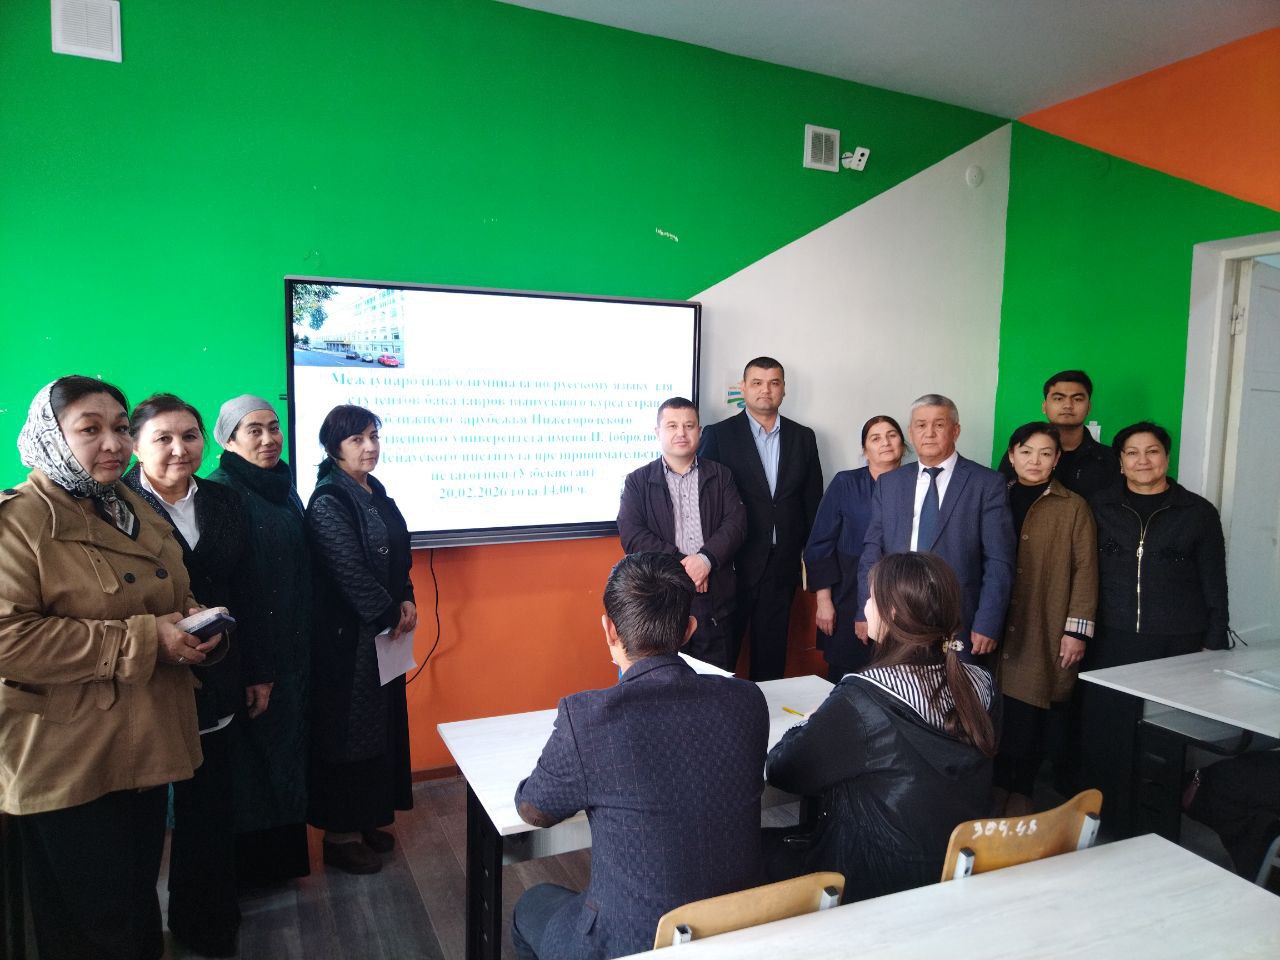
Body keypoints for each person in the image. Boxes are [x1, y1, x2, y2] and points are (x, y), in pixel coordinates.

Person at [0, 376, 216, 960]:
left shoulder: (129, 506)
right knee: (94, 924)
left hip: (144, 739)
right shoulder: (19, 521)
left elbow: (168, 594)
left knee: (134, 903)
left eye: (120, 427)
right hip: (69, 755)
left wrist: (196, 625)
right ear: (51, 437)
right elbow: (9, 639)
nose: (114, 443)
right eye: (89, 429)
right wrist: (148, 640)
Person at [510, 553, 769, 960]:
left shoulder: (589, 718)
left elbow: (534, 810)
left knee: (531, 903)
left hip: (632, 942)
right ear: (689, 629)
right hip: (736, 928)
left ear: (609, 629)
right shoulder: (747, 700)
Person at [765, 552, 997, 900]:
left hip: (866, 880)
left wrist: (810, 722)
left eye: (871, 597)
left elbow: (783, 770)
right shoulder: (982, 685)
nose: (866, 606)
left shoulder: (863, 700)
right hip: (952, 872)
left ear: (892, 613)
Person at [123, 393, 262, 956]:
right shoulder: (113, 507)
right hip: (149, 681)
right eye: (163, 438)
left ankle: (205, 920)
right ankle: (136, 932)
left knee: (210, 807)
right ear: (135, 447)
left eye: (190, 435)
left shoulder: (225, 499)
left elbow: (247, 588)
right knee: (140, 821)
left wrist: (257, 670)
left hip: (218, 671)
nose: (180, 449)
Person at [1084, 420, 1229, 834]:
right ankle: (1108, 822)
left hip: (1177, 640)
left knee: (1164, 737)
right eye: (1132, 453)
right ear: (1120, 462)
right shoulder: (1098, 507)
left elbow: (1214, 580)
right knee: (1109, 733)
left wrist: (1214, 640)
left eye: (1152, 451)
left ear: (1166, 457)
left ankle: (1157, 826)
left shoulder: (1197, 512)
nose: (1143, 461)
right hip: (1111, 636)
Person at [305, 405, 416, 875]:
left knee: (380, 729)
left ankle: (368, 817)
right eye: (357, 439)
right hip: (346, 643)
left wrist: (407, 597)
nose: (369, 447)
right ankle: (340, 836)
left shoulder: (375, 490)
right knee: (349, 734)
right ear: (334, 447)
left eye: (373, 436)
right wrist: (390, 613)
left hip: (384, 636)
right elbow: (347, 570)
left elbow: (399, 554)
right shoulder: (328, 499)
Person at [207, 394, 312, 885]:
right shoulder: (222, 493)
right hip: (257, 655)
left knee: (286, 755)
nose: (270, 439)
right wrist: (256, 669)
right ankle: (254, 874)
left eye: (274, 427)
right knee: (253, 766)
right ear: (229, 441)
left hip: (293, 649)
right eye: (255, 430)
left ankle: (283, 865)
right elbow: (235, 588)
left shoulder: (282, 487)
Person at [857, 394, 1015, 657]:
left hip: (958, 617)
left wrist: (988, 621)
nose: (929, 433)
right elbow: (872, 551)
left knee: (953, 682)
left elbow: (999, 560)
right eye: (920, 425)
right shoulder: (890, 483)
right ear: (911, 432)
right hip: (896, 613)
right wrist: (865, 609)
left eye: (939, 425)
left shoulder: (986, 483)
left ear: (956, 431)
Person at [993, 422, 1097, 817]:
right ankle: (996, 784)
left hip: (1043, 620)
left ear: (1056, 460)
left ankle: (1021, 788)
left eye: (1045, 453)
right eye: (1026, 451)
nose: (1034, 461)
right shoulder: (995, 495)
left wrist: (1076, 631)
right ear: (1012, 455)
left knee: (1031, 706)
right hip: (997, 618)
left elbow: (1086, 571)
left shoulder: (1073, 506)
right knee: (993, 707)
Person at [699, 357, 823, 680]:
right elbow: (705, 505)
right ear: (743, 388)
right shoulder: (719, 435)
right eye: (757, 383)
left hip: (781, 566)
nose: (765, 390)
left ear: (783, 389)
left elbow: (812, 503)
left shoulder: (803, 437)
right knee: (721, 660)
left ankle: (765, 714)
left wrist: (813, 564)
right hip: (732, 566)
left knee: (771, 659)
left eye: (773, 383)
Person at [617, 397, 747, 670]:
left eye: (689, 426)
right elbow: (632, 534)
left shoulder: (721, 475)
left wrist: (705, 560)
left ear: (699, 431)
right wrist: (684, 566)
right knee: (664, 680)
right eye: (672, 426)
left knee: (716, 680)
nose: (681, 433)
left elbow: (736, 523)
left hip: (714, 597)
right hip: (661, 599)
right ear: (658, 432)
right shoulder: (637, 481)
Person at [804, 415, 905, 682]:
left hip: (900, 597)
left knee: (893, 678)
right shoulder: (845, 483)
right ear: (865, 450)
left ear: (904, 445)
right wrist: (824, 602)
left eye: (892, 435)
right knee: (846, 678)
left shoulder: (915, 484)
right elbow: (820, 544)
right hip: (847, 595)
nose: (885, 442)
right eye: (875, 438)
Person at [999, 370, 1119, 500]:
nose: (1068, 405)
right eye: (1058, 398)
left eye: (1077, 399)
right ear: (1044, 406)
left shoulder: (1109, 459)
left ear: (1089, 407)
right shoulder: (1021, 454)